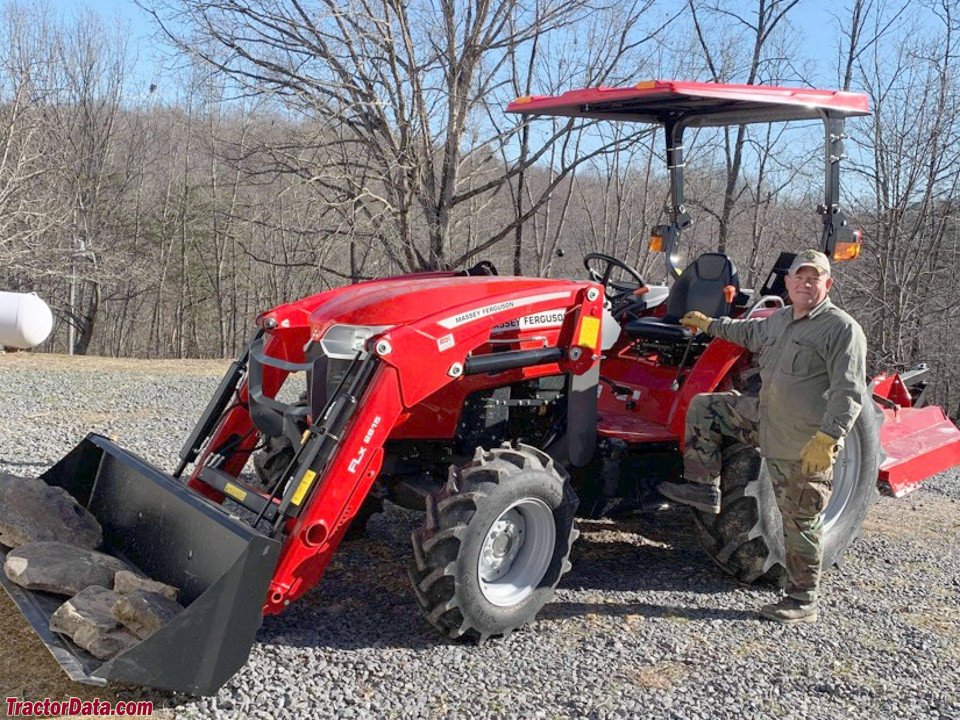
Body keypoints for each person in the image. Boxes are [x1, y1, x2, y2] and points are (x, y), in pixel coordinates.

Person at [657, 249, 867, 624]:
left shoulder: (842, 329)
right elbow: (745, 332)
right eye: (799, 277)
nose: (805, 283)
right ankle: (703, 486)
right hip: (764, 418)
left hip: (802, 441)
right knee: (706, 407)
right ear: (787, 283)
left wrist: (828, 438)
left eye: (814, 277)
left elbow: (849, 392)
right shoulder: (780, 319)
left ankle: (803, 600)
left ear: (827, 284)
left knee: (800, 522)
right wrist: (709, 324)